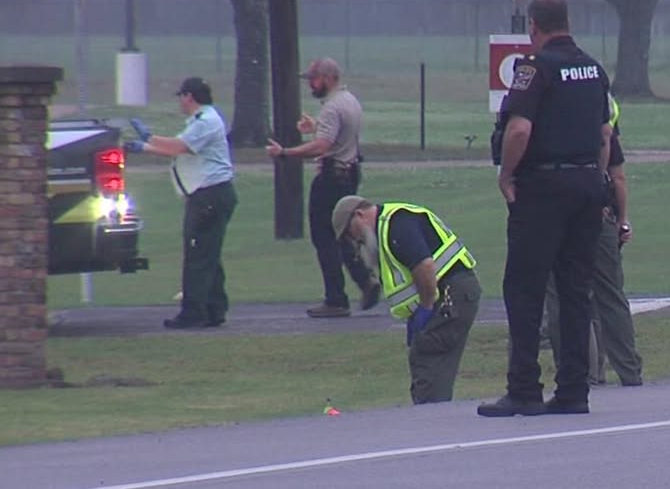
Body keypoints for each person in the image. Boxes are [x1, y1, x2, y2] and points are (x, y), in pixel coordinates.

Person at [478, 0, 612, 417]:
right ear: (567, 22)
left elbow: (519, 130)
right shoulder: (593, 69)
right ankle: (573, 389)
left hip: (544, 187)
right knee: (575, 289)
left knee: (525, 287)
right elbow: (605, 135)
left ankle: (524, 389)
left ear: (534, 26)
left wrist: (506, 175)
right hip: (588, 182)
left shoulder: (534, 68)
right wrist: (597, 177)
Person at [331, 195, 480, 404]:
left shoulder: (396, 225)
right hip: (453, 295)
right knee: (429, 360)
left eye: (349, 231)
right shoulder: (389, 226)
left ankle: (430, 415)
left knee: (428, 357)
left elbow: (424, 266)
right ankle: (434, 410)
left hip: (450, 296)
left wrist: (426, 307)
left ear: (359, 215)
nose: (354, 239)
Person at [265, 57, 378, 318]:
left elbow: (322, 146)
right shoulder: (349, 100)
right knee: (342, 233)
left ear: (327, 78)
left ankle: (336, 299)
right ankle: (365, 280)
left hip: (331, 178)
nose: (311, 85)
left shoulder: (331, 107)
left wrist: (285, 152)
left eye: (314, 79)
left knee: (324, 237)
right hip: (350, 172)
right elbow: (339, 135)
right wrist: (315, 127)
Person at [544, 94, 644, 387]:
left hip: (556, 209)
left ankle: (578, 373)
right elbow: (618, 177)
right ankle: (629, 370)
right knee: (610, 295)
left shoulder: (548, 120)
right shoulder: (601, 122)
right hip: (600, 212)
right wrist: (622, 219)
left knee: (562, 294)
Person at [124, 77, 237, 329]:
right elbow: (178, 150)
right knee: (207, 253)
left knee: (198, 255)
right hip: (208, 195)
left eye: (181, 97)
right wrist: (145, 147)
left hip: (209, 195)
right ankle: (214, 309)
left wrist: (148, 138)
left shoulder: (206, 121)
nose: (180, 102)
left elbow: (179, 146)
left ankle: (193, 313)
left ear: (189, 96)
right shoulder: (200, 121)